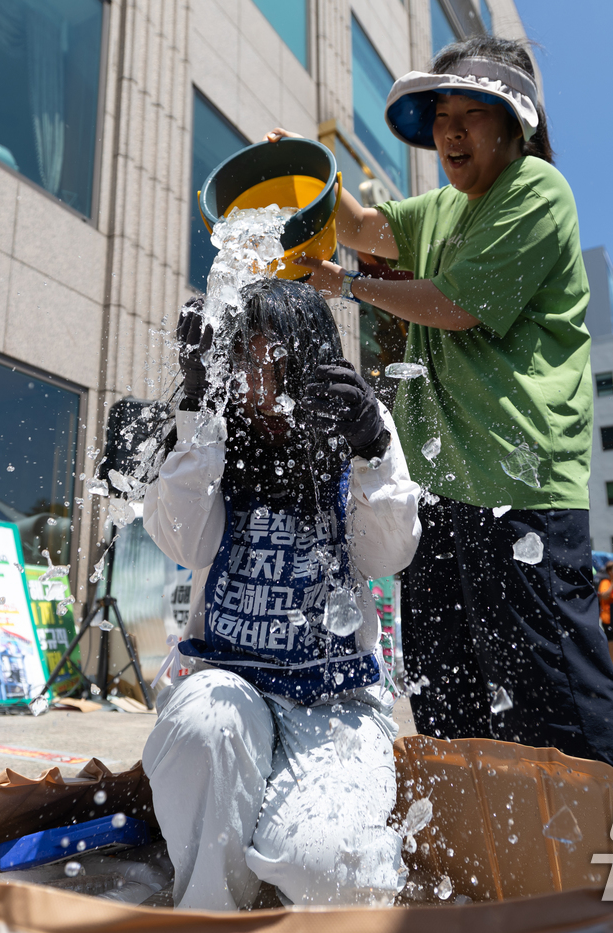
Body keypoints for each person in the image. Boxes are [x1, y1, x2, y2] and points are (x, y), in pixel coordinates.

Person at [266, 34, 613, 778]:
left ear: (516, 126)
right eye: (442, 115)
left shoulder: (536, 190)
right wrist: (309, 174)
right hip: (436, 489)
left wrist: (341, 285)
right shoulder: (440, 207)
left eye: (474, 114)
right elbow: (368, 229)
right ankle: (479, 854)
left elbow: (455, 304)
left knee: (548, 684)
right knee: (446, 686)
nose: (452, 131)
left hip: (520, 486)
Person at [141, 280, 421, 909]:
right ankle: (210, 908)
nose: (254, 371)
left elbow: (389, 554)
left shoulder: (355, 430)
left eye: (271, 352)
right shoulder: (212, 437)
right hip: (229, 682)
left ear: (307, 354)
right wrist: (194, 411)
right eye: (240, 353)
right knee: (203, 718)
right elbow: (183, 540)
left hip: (336, 701)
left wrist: (373, 446)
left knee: (329, 869)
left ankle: (283, 844)